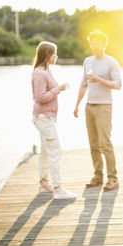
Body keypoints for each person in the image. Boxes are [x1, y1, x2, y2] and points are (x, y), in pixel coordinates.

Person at [74, 30, 122, 191]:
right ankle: (98, 176)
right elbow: (83, 84)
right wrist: (77, 105)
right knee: (93, 144)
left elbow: (118, 85)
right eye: (92, 43)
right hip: (89, 106)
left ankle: (113, 178)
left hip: (104, 107)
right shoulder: (87, 61)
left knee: (105, 143)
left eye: (98, 43)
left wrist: (99, 79)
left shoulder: (111, 62)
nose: (95, 46)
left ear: (104, 44)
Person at [31, 41, 77, 199]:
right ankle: (58, 189)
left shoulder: (46, 71)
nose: (56, 56)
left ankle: (44, 184)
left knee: (45, 151)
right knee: (55, 151)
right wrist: (59, 89)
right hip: (44, 118)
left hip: (47, 117)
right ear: (46, 55)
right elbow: (39, 98)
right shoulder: (40, 73)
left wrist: (57, 90)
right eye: (54, 53)